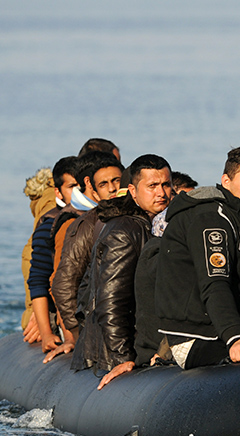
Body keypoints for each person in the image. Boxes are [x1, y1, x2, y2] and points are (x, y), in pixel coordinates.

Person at [154, 146, 240, 368]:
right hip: (200, 336)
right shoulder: (212, 217)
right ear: (226, 181)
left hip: (220, 327)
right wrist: (236, 337)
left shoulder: (236, 216)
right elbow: (215, 283)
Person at [71, 154, 172, 389]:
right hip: (110, 354)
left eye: (166, 185)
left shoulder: (154, 225)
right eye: (152, 186)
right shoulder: (125, 231)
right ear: (133, 191)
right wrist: (122, 358)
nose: (161, 193)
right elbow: (111, 299)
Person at [45, 152, 124, 361]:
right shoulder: (82, 226)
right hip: (97, 328)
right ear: (94, 190)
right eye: (104, 184)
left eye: (117, 181)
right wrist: (75, 335)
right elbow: (62, 283)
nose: (113, 188)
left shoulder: (136, 220)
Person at [25, 156, 79, 352]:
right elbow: (38, 281)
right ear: (58, 192)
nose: (79, 192)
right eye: (72, 186)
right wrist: (47, 334)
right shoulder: (49, 227)